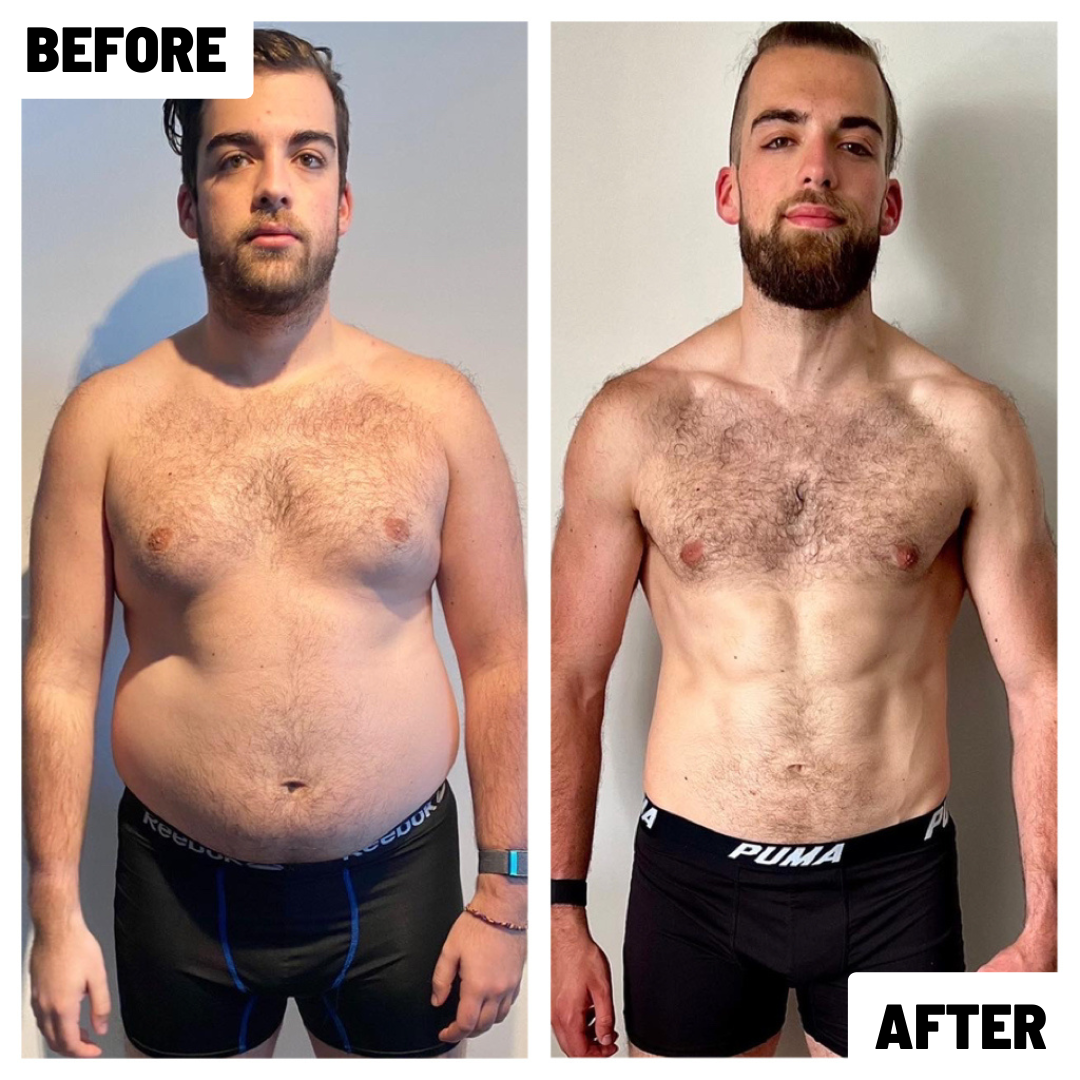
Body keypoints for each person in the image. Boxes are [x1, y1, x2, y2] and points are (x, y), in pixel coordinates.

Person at [551, 21, 1055, 1059]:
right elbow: (569, 680)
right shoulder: (633, 421)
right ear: (731, 189)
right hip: (689, 887)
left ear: (890, 201)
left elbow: (1043, 686)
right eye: (780, 137)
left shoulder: (972, 426)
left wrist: (1052, 920)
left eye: (855, 142)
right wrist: (560, 909)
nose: (818, 166)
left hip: (898, 888)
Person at [25, 28, 526, 1059]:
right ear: (188, 204)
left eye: (307, 155)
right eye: (232, 156)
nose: (272, 186)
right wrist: (51, 913)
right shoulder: (103, 422)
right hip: (179, 890)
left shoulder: (438, 409)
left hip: (400, 887)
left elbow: (502, 662)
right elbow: (59, 677)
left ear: (342, 201)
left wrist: (507, 896)